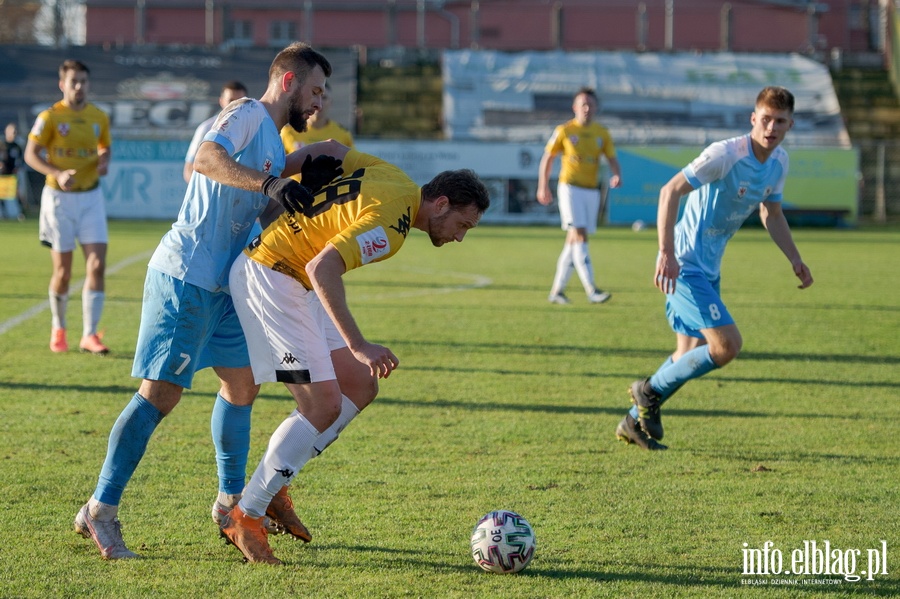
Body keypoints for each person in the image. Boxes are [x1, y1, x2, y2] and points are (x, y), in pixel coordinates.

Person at [73, 42, 343, 560]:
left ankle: (228, 502)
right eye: (315, 90)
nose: (319, 101)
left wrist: (299, 186)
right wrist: (273, 180)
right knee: (161, 395)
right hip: (187, 276)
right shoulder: (245, 114)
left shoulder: (272, 140)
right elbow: (206, 159)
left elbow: (258, 214)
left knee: (241, 386)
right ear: (287, 82)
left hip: (226, 286)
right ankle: (100, 511)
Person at [220, 147, 491, 564]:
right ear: (440, 203)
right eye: (462, 224)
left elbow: (328, 151)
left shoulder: (394, 175)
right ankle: (246, 515)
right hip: (272, 275)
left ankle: (273, 486)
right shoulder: (394, 224)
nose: (459, 236)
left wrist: (279, 174)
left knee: (360, 384)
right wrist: (359, 344)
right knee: (323, 405)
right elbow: (323, 268)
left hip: (292, 276)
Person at [615, 86, 814, 451]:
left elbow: (772, 212)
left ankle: (631, 420)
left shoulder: (779, 162)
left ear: (790, 124)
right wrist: (666, 253)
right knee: (726, 346)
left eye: (780, 121)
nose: (771, 127)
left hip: (708, 268)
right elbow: (670, 190)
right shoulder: (726, 154)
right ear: (753, 118)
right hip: (684, 264)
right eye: (765, 119)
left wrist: (795, 258)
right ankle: (646, 391)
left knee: (685, 353)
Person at [25, 60, 113, 355]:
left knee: (97, 265)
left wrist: (103, 160)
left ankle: (89, 335)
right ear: (62, 84)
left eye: (83, 81)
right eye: (74, 81)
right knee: (63, 272)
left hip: (91, 197)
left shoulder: (98, 116)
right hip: (59, 200)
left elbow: (105, 147)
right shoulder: (50, 117)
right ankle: (58, 327)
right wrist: (57, 173)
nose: (79, 87)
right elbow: (30, 155)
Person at [537, 87, 622, 305]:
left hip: (591, 190)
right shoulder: (564, 131)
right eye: (582, 104)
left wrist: (616, 175)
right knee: (580, 234)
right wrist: (543, 186)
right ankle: (591, 289)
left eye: (590, 104)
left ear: (596, 108)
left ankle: (557, 291)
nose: (587, 108)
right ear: (574, 107)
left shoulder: (602, 133)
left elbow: (611, 158)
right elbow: (548, 158)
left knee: (573, 241)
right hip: (570, 188)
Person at [183, 80, 249, 183]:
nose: (235, 105)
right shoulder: (206, 128)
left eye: (239, 101)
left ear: (247, 103)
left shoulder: (254, 129)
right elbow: (189, 169)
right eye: (231, 101)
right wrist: (204, 194)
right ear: (221, 101)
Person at [280, 81, 354, 158]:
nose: (319, 103)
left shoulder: (343, 134)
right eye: (314, 96)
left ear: (331, 102)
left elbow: (353, 165)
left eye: (324, 98)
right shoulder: (288, 132)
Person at [1, 122, 25, 220]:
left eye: (15, 132)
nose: (13, 134)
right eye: (11, 131)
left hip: (11, 176)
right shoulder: (2, 145)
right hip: (1, 175)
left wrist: (17, 169)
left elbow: (20, 161)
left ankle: (14, 213)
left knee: (12, 196)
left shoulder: (17, 146)